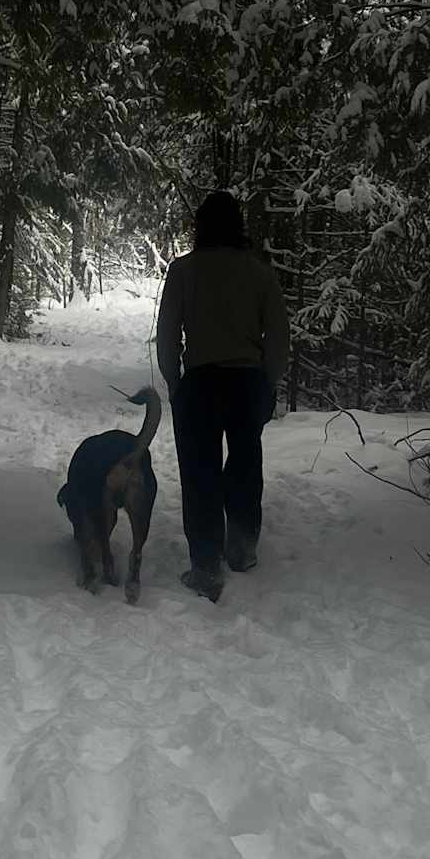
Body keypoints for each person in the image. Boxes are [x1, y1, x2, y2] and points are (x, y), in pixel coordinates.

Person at [156, 190, 290, 602]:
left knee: (200, 474)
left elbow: (166, 335)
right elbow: (279, 339)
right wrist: (268, 384)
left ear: (200, 225)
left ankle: (206, 565)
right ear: (238, 226)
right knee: (246, 465)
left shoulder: (183, 272)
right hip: (247, 382)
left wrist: (175, 381)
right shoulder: (260, 272)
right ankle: (243, 547)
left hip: (199, 383)